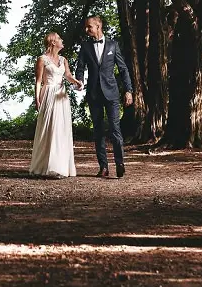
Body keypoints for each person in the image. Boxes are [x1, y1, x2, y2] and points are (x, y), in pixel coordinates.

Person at [74, 15, 133, 179]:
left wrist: (128, 90)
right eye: (86, 27)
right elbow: (80, 67)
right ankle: (104, 167)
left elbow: (123, 69)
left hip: (112, 94)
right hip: (93, 94)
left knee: (115, 129)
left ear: (98, 26)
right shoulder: (85, 46)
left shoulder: (113, 45)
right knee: (98, 131)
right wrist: (79, 81)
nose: (87, 30)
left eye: (89, 27)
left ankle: (120, 164)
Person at [28, 32, 82, 178]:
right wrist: (37, 99)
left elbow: (68, 76)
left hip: (61, 96)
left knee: (61, 129)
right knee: (49, 128)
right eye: (59, 39)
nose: (62, 40)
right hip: (49, 94)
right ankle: (44, 166)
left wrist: (76, 82)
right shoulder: (42, 59)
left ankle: (60, 166)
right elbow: (38, 81)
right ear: (52, 42)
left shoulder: (63, 59)